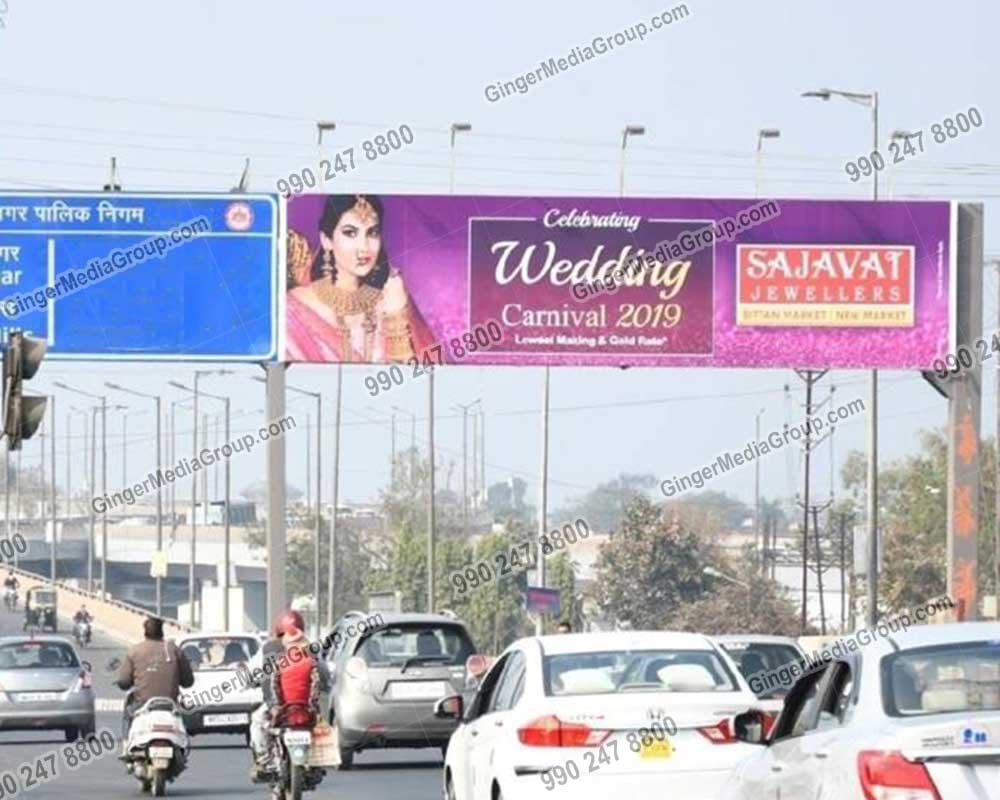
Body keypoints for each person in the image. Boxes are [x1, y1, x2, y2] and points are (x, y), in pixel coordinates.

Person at [285, 194, 436, 363]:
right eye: (350, 233)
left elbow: (422, 381)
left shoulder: (391, 296)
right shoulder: (294, 308)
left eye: (372, 233)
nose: (363, 247)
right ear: (326, 240)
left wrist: (396, 319)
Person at [248, 610, 330, 783]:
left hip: (277, 706)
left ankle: (263, 760)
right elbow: (324, 674)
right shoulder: (310, 648)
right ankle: (318, 763)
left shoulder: (268, 648)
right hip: (307, 706)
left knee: (257, 723)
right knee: (322, 723)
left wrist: (252, 682)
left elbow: (252, 672)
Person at [115, 617, 194, 738]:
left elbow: (124, 681)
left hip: (142, 703)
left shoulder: (135, 651)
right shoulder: (174, 650)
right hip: (170, 703)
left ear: (145, 632)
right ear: (162, 631)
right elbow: (188, 681)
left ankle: (127, 743)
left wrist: (123, 683)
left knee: (128, 713)